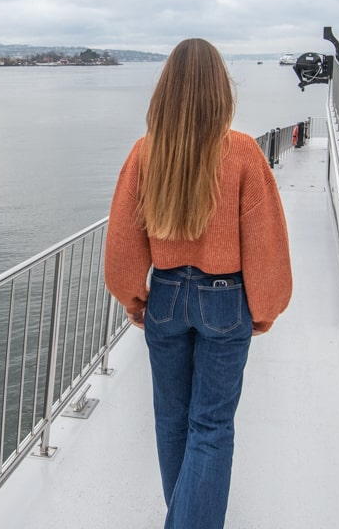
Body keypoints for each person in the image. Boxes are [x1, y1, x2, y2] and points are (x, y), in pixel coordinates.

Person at [104, 38, 292, 528]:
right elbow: (265, 240)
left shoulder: (145, 154)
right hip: (226, 302)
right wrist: (265, 308)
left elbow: (123, 243)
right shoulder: (244, 154)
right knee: (211, 427)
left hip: (165, 297)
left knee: (171, 421)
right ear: (220, 91)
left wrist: (134, 297)